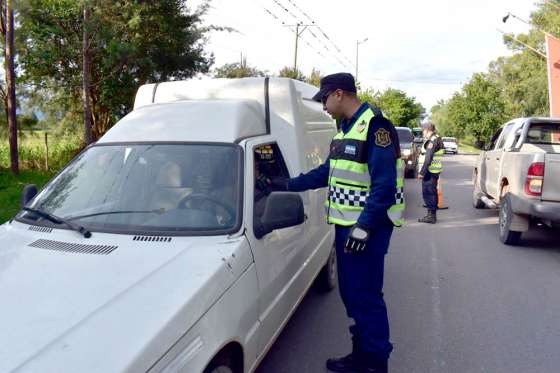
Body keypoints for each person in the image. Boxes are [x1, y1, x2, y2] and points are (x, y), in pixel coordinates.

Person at [272, 73, 404, 373]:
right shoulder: (346, 129)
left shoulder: (375, 127)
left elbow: (383, 186)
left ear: (340, 94)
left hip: (367, 229)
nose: (323, 107)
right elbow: (327, 173)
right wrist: (287, 184)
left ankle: (374, 363)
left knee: (367, 297)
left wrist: (364, 227)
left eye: (325, 100)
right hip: (349, 227)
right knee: (352, 295)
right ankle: (362, 356)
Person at [417, 121, 444, 224]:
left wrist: (422, 172)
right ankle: (432, 215)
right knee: (432, 192)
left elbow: (428, 158)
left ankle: (431, 216)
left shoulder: (432, 141)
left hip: (429, 171)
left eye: (423, 130)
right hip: (434, 171)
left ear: (427, 130)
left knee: (428, 193)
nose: (422, 132)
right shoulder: (437, 138)